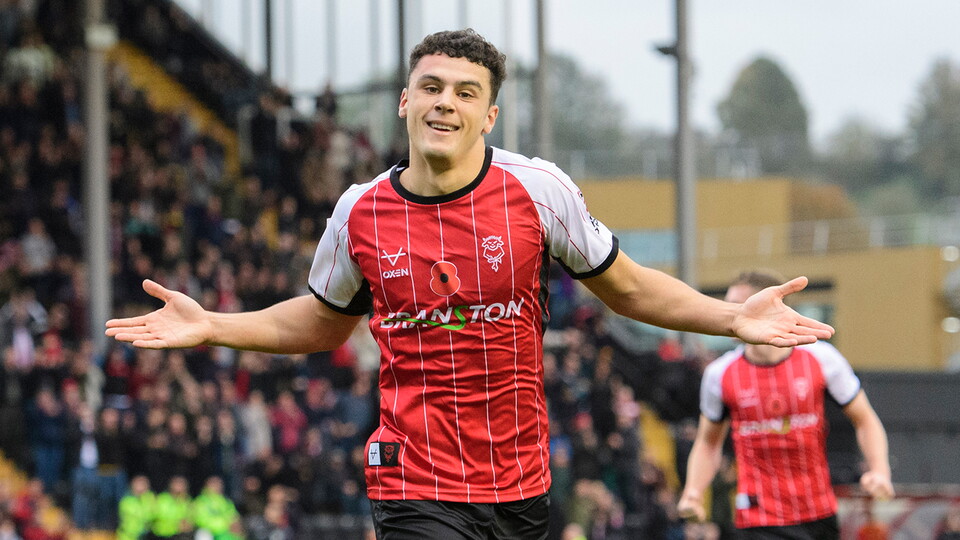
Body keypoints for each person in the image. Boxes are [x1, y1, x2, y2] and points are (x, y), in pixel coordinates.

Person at [106, 29, 834, 540]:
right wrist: (216, 325)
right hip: (413, 477)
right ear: (404, 102)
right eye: (430, 87)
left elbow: (632, 291)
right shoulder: (360, 211)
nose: (444, 102)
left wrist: (730, 320)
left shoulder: (540, 192)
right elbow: (324, 323)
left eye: (463, 92)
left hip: (519, 480)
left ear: (488, 113)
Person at [676, 270, 893, 539]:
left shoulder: (822, 359)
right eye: (727, 305)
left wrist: (880, 470)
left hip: (818, 514)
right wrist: (693, 493)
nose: (730, 313)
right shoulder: (719, 374)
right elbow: (708, 442)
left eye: (738, 305)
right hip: (758, 519)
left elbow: (865, 419)